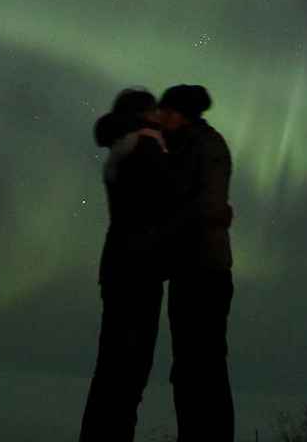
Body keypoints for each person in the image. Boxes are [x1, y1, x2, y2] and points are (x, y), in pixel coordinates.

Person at [79, 83, 234, 442]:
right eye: (154, 111)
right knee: (134, 371)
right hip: (144, 272)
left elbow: (181, 202)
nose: (160, 117)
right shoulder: (148, 146)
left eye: (165, 110)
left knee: (188, 369)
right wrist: (213, 213)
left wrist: (206, 213)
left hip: (182, 271)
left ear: (180, 113)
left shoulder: (187, 146)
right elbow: (168, 200)